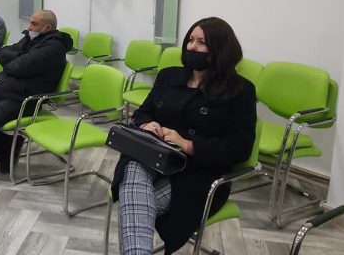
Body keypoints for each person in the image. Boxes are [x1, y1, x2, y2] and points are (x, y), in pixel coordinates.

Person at [110, 17, 257, 255]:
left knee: (133, 205)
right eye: (190, 40)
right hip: (151, 155)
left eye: (201, 42)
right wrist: (148, 124)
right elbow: (144, 112)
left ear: (221, 49)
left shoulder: (239, 90)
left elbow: (240, 146)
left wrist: (188, 144)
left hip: (196, 173)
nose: (192, 47)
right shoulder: (168, 76)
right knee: (133, 171)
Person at [0, 10, 72, 173]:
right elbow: (3, 52)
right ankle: (9, 144)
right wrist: (19, 58)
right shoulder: (31, 38)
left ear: (47, 28)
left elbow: (18, 66)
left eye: (34, 24)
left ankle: (6, 149)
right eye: (30, 22)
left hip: (23, 100)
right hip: (4, 91)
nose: (29, 27)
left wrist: (13, 63)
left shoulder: (54, 47)